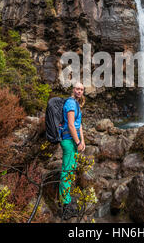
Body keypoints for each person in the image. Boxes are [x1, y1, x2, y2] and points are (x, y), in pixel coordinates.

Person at [59, 82, 86, 220]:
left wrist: (82, 140)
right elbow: (70, 124)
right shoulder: (70, 103)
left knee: (70, 170)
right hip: (69, 141)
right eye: (77, 88)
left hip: (74, 141)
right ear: (73, 90)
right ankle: (65, 207)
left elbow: (78, 124)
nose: (79, 91)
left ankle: (67, 201)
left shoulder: (77, 104)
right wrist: (77, 142)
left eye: (81, 89)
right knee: (67, 172)